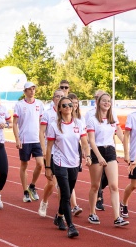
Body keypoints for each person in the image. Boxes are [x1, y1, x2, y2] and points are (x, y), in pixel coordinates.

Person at [45, 96, 91, 238]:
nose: (68, 107)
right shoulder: (54, 125)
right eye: (64, 105)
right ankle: (70, 226)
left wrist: (87, 155)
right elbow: (49, 148)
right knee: (65, 194)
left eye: (70, 105)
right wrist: (48, 166)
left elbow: (84, 142)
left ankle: (59, 216)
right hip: (59, 162)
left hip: (74, 162)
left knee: (69, 191)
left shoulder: (78, 123)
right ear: (59, 108)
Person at [86, 92, 128, 227]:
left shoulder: (112, 118)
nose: (106, 103)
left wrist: (126, 145)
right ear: (98, 102)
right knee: (95, 185)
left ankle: (117, 217)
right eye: (104, 100)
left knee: (114, 185)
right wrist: (98, 156)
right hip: (97, 151)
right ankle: (92, 213)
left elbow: (119, 132)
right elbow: (91, 140)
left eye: (108, 101)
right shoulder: (92, 119)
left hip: (110, 150)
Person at [13, 82, 46, 203]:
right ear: (25, 91)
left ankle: (32, 186)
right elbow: (15, 123)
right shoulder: (19, 105)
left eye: (33, 88)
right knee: (24, 165)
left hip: (37, 139)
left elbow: (42, 122)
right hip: (25, 140)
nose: (32, 91)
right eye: (29, 89)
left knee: (40, 164)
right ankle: (25, 191)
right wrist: (17, 139)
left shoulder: (39, 104)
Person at [37, 89, 65, 217]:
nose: (59, 98)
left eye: (62, 97)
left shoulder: (68, 113)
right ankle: (44, 201)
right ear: (53, 99)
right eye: (57, 96)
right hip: (51, 152)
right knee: (52, 183)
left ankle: (61, 212)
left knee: (62, 184)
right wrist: (44, 150)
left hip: (65, 154)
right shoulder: (47, 114)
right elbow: (42, 133)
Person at [86, 89, 108, 211]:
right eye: (97, 97)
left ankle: (100, 191)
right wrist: (87, 151)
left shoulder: (110, 113)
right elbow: (85, 133)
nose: (98, 99)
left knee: (109, 178)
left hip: (108, 149)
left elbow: (114, 130)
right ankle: (98, 199)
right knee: (97, 178)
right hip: (94, 148)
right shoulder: (90, 114)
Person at [68, 93, 84, 216]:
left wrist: (85, 151)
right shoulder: (61, 119)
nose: (74, 105)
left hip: (75, 151)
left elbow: (84, 138)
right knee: (63, 181)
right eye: (72, 103)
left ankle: (67, 205)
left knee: (71, 180)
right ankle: (73, 205)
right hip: (61, 153)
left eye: (76, 103)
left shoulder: (80, 120)